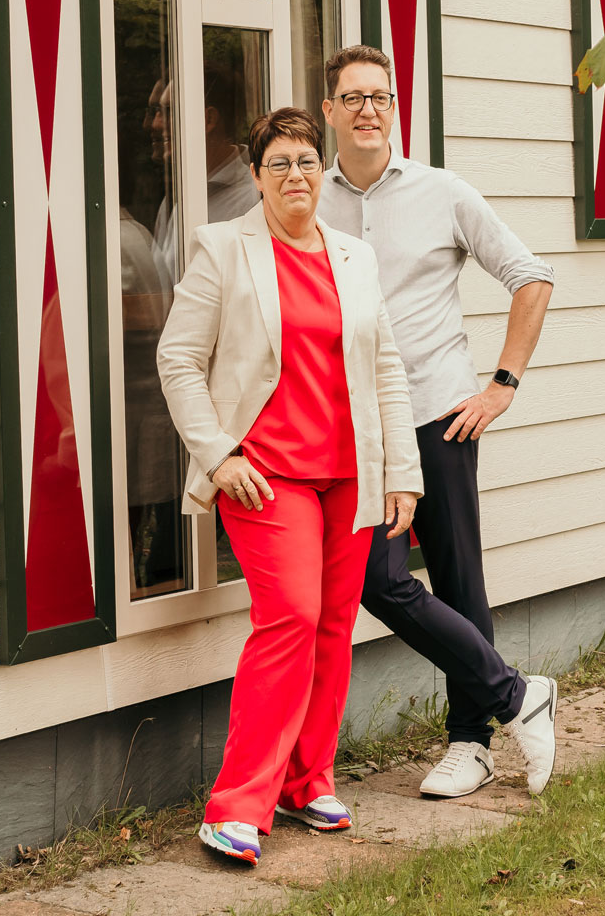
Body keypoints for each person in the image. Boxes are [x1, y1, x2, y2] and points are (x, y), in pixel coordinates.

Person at [158, 106, 423, 867]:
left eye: (307, 161)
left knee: (335, 625)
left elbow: (386, 367)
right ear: (255, 176)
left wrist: (400, 470)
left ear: (322, 169)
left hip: (350, 475)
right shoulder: (223, 249)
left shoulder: (353, 258)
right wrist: (218, 455)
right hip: (266, 479)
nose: (296, 176)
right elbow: (178, 361)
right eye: (279, 164)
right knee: (290, 620)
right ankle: (236, 804)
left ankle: (308, 780)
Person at [316, 45, 560, 798]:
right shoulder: (304, 200)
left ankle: (471, 743)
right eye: (352, 97)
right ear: (329, 111)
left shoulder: (442, 192)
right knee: (381, 581)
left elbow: (532, 276)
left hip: (439, 414)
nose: (367, 109)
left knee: (458, 579)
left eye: (380, 97)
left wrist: (501, 385)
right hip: (356, 426)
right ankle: (516, 691)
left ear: (396, 109)